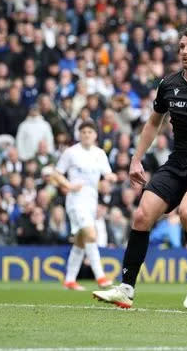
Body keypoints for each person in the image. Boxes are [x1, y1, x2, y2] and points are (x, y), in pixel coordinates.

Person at [93, 28, 187, 310]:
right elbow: (153, 123)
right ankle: (126, 289)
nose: (184, 51)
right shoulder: (169, 84)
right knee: (142, 216)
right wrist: (136, 159)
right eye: (181, 46)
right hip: (178, 160)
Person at [47, 121, 116, 290]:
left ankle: (69, 280)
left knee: (80, 240)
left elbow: (107, 174)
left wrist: (112, 178)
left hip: (91, 200)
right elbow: (56, 174)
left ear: (95, 135)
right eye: (83, 131)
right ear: (79, 134)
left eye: (89, 132)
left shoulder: (99, 154)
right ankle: (100, 277)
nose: (86, 134)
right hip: (75, 200)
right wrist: (69, 186)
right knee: (91, 234)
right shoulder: (71, 152)